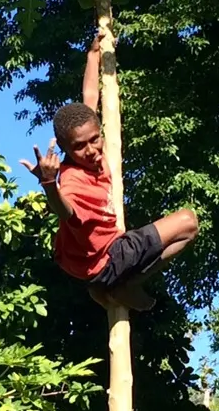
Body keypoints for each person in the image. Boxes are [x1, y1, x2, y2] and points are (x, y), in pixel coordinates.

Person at [20, 33, 198, 311]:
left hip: (82, 260)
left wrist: (92, 55)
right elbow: (63, 210)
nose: (91, 150)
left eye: (95, 139)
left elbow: (90, 97)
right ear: (67, 148)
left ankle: (106, 285)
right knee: (188, 222)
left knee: (165, 233)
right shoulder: (72, 180)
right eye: (80, 147)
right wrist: (48, 182)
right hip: (104, 259)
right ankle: (121, 284)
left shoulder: (84, 126)